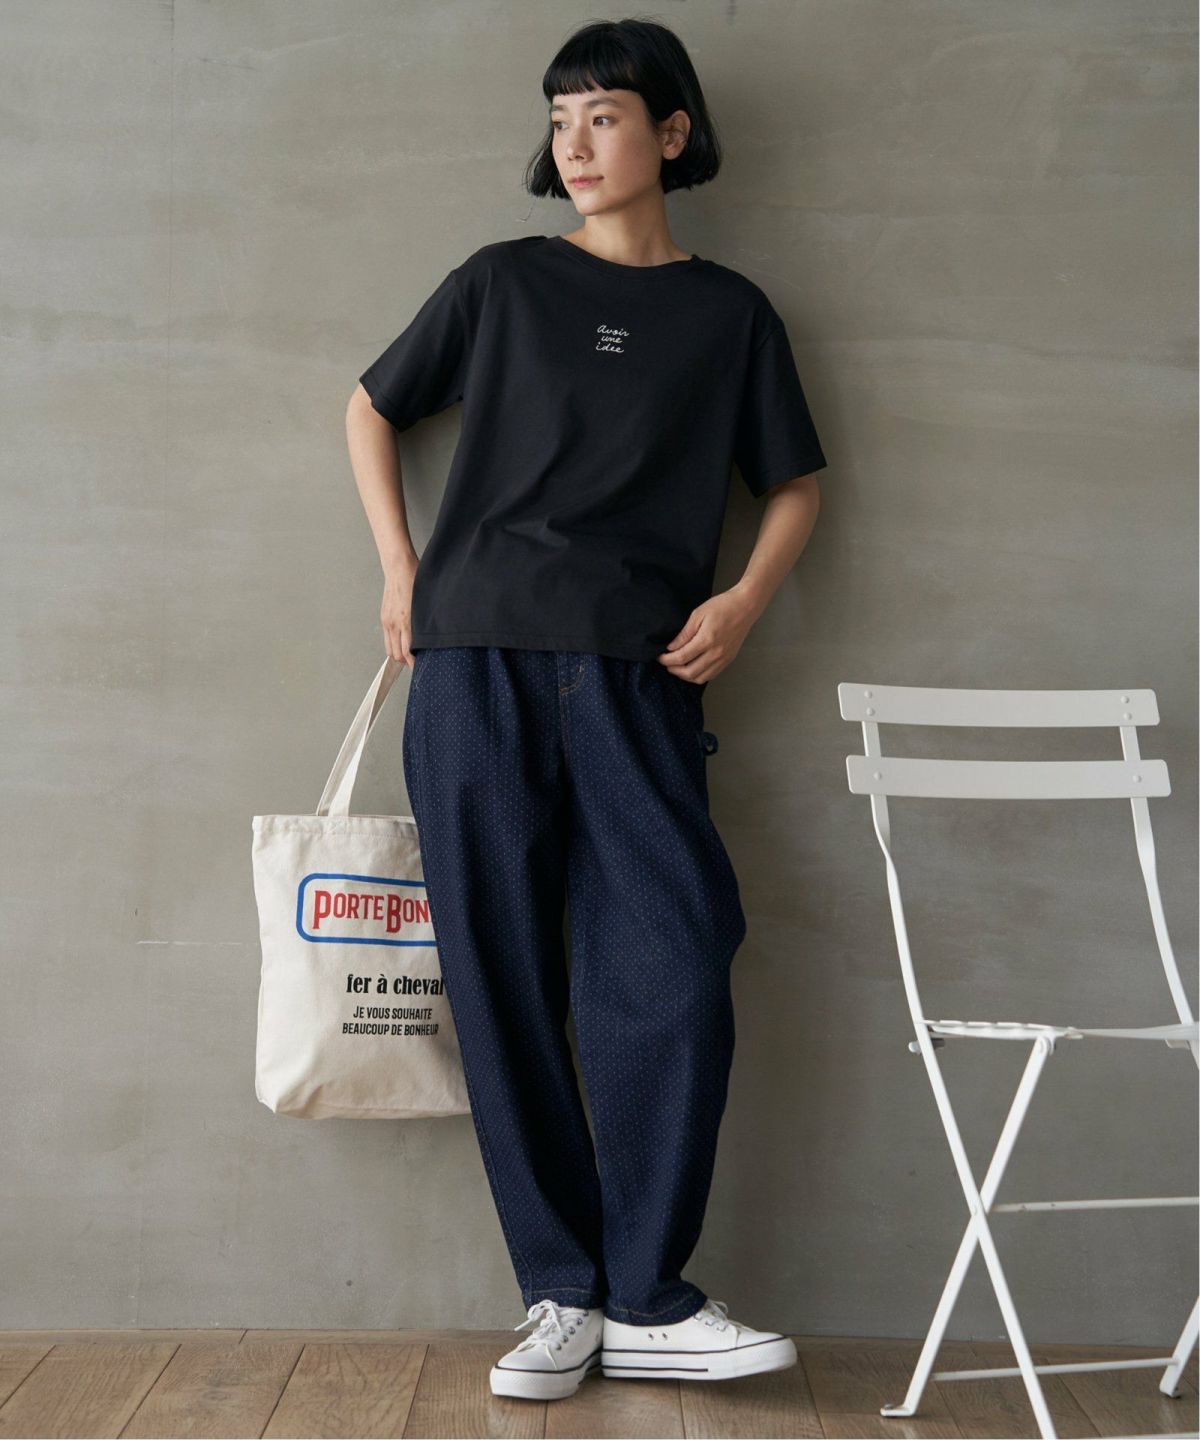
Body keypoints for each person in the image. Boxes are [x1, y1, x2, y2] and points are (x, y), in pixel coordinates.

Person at [345, 16, 827, 1404]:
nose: (575, 141)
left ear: (671, 134)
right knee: (499, 976)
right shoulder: (499, 283)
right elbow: (371, 408)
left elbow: (796, 482)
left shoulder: (730, 315)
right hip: (476, 661)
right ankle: (561, 1295)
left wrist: (743, 604)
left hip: (639, 675)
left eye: (604, 115)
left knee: (673, 956)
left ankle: (651, 1295)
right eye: (561, 118)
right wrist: (401, 572)